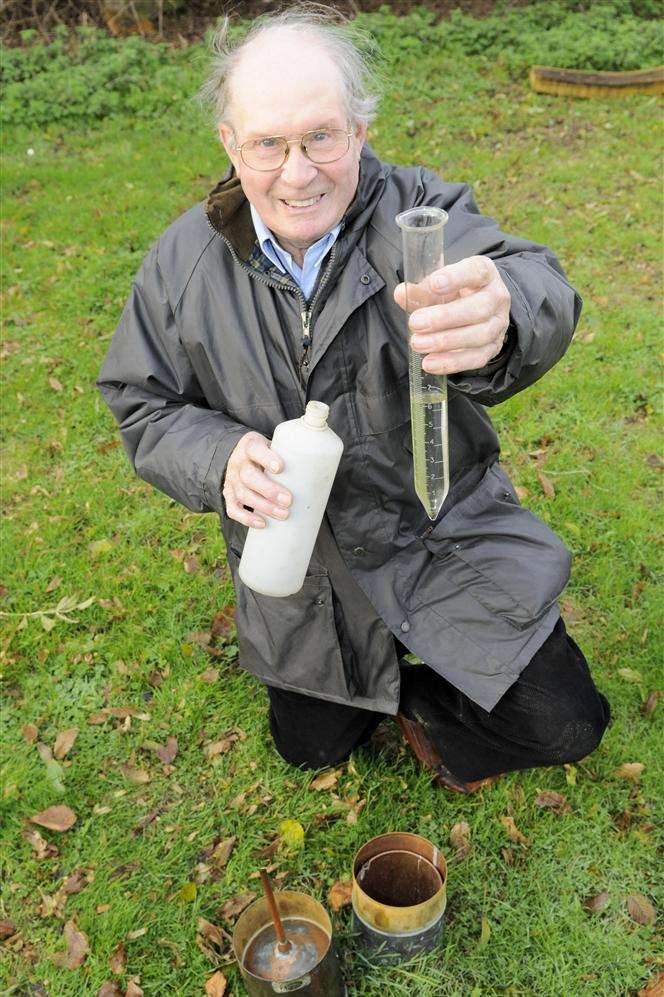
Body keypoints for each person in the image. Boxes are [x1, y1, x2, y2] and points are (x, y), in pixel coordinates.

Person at [97, 5, 610, 793]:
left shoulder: (421, 222)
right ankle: (367, 686)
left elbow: (536, 282)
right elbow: (142, 400)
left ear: (361, 130)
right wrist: (218, 456)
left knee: (567, 721)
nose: (297, 173)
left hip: (438, 536)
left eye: (321, 137)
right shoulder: (181, 266)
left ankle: (431, 696)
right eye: (269, 143)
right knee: (309, 748)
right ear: (231, 144)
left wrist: (504, 310)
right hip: (301, 570)